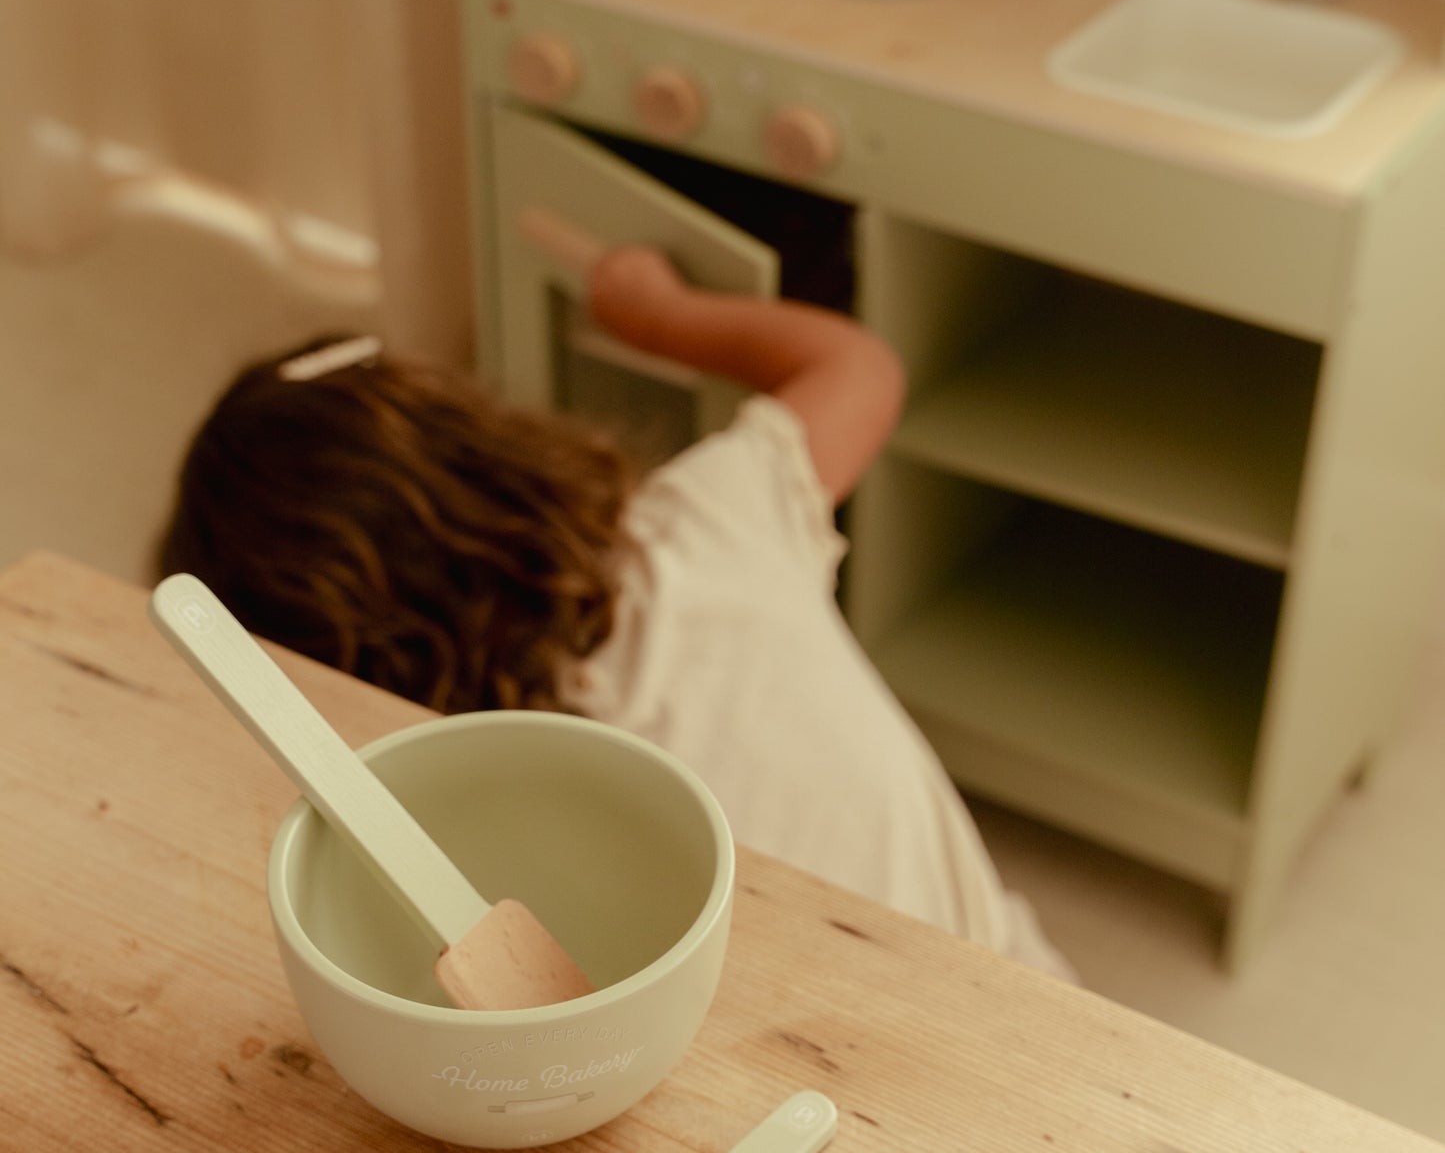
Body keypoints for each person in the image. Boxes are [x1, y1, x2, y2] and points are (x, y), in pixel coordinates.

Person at [157, 241, 1073, 980]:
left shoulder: (456, 815)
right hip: (1018, 986)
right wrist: (660, 314)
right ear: (484, 440)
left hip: (832, 1087)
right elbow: (858, 366)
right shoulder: (710, 519)